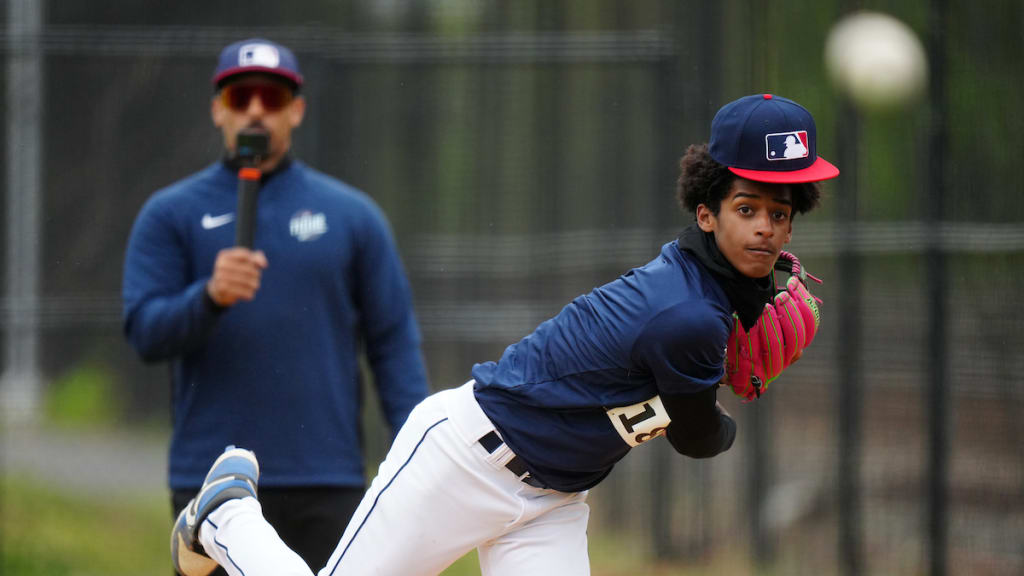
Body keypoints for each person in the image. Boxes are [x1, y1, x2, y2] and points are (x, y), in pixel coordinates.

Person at [168, 93, 839, 576]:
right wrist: (723, 396)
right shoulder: (688, 316)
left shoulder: (707, 293)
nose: (765, 229)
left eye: (781, 213)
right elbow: (699, 439)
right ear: (706, 210)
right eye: (746, 208)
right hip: (463, 463)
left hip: (551, 498)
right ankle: (227, 513)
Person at [122, 38, 430, 573]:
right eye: (242, 97)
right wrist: (208, 298)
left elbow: (393, 342)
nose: (257, 109)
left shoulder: (352, 217)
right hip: (211, 479)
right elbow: (145, 332)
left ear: (297, 109)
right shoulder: (170, 214)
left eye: (272, 95)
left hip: (327, 480)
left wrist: (419, 460)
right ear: (219, 109)